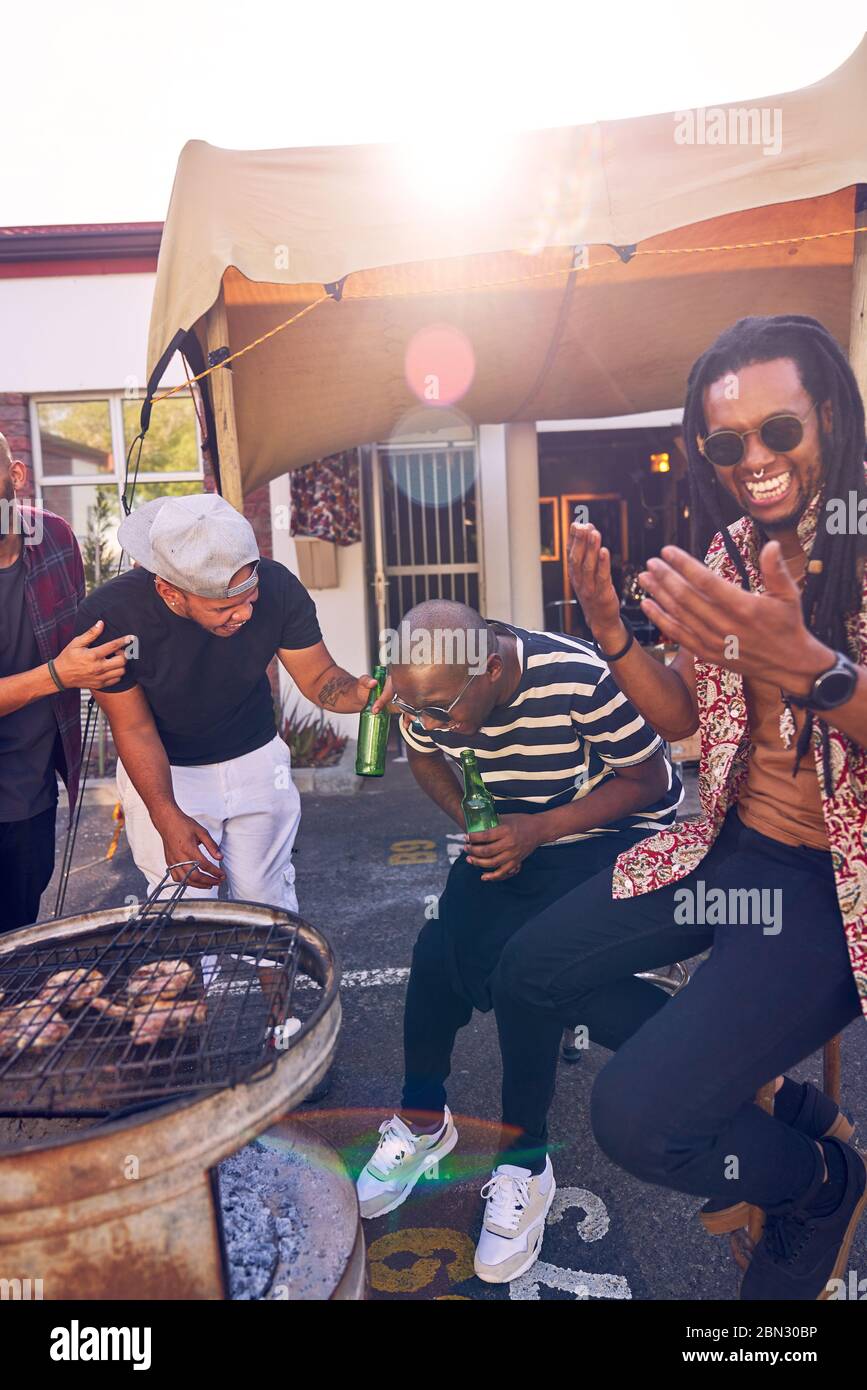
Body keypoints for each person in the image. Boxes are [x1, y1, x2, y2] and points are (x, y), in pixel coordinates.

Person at [492, 315, 867, 1300]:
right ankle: (781, 1113)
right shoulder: (732, 551)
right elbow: (689, 722)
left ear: (827, 411)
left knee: (637, 1117)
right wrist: (613, 632)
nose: (755, 459)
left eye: (778, 430)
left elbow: (815, 681)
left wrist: (815, 671)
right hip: (733, 849)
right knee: (532, 967)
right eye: (726, 442)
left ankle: (819, 1185)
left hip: (835, 895)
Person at [355, 599, 681, 1283]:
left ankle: (525, 1161)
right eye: (416, 713)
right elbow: (427, 762)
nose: (427, 724)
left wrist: (537, 831)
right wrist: (477, 823)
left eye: (440, 711)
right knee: (437, 955)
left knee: (526, 974)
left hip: (609, 839)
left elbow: (653, 782)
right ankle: (422, 1119)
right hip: (512, 835)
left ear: (492, 669)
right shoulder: (424, 693)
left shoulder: (578, 677)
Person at [74, 492, 387, 907]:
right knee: (185, 911)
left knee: (270, 903)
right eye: (224, 607)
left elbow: (321, 679)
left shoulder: (278, 587)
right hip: (165, 770)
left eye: (250, 600)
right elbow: (133, 727)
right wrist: (166, 817)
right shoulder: (111, 618)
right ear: (171, 593)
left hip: (257, 759)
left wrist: (362, 695)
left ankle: (278, 972)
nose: (243, 615)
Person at [0, 432, 129, 933]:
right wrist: (57, 675)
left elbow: (82, 637)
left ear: (15, 477)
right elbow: (64, 668)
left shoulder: (54, 539)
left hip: (33, 790)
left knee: (19, 937)